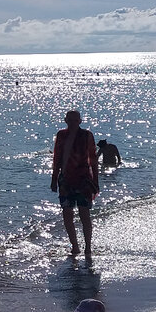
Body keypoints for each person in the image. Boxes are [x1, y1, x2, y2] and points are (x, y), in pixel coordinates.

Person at [50, 110, 98, 258]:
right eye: (70, 120)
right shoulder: (61, 135)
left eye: (75, 120)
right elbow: (57, 158)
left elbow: (93, 158)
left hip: (84, 179)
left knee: (84, 213)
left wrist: (96, 181)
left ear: (80, 121)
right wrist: (54, 178)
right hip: (65, 180)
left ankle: (88, 247)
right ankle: (75, 246)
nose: (72, 123)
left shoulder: (86, 136)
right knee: (67, 213)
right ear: (65, 120)